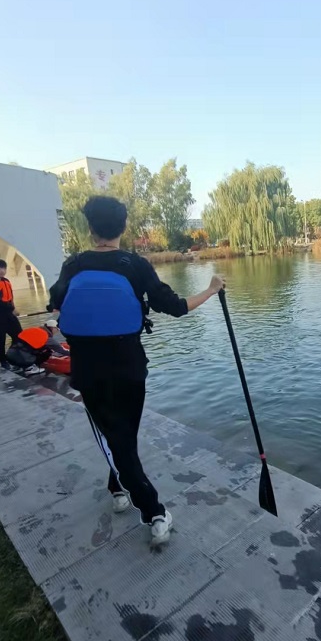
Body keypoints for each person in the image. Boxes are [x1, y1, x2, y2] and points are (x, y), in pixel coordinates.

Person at [48, 195, 226, 547]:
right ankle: (154, 512)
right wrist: (211, 289)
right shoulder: (135, 265)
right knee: (123, 437)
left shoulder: (74, 265)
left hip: (88, 370)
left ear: (90, 228)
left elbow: (56, 302)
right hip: (129, 369)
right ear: (124, 227)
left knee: (118, 439)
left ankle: (118, 488)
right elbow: (174, 307)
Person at [5, 320, 70, 376]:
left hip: (10, 356)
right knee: (47, 352)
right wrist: (75, 354)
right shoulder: (47, 337)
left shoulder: (33, 330)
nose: (57, 331)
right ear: (53, 328)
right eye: (57, 329)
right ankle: (31, 367)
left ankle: (19, 366)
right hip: (23, 360)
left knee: (27, 348)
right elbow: (61, 350)